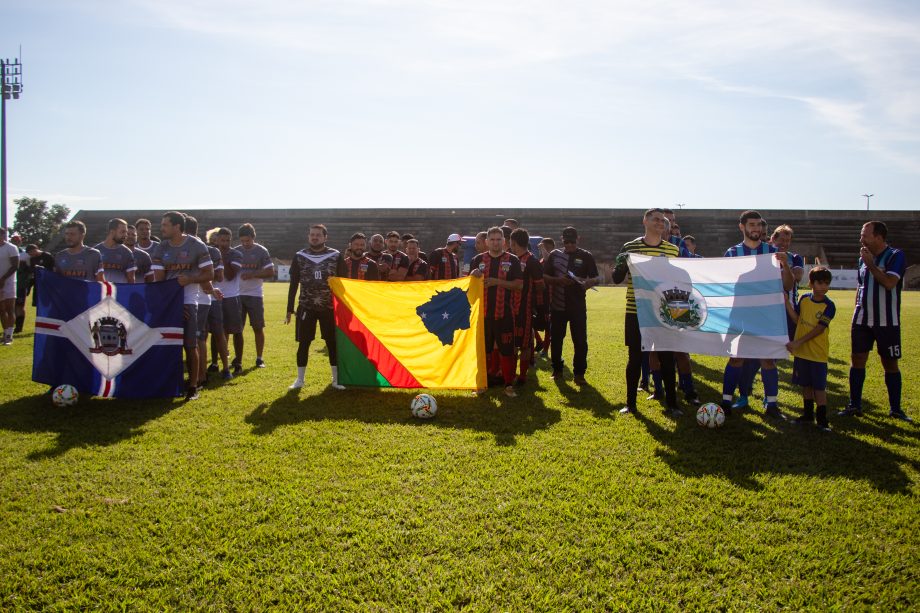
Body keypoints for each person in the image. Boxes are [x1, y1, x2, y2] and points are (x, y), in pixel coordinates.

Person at [720, 210, 793, 419]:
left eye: (759, 225)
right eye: (751, 225)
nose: (756, 228)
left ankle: (772, 405)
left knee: (767, 360)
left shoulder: (772, 253)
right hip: (739, 314)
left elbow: (787, 285)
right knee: (736, 358)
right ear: (742, 227)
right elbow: (723, 284)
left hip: (766, 315)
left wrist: (785, 265)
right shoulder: (732, 253)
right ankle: (726, 401)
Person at [613, 209, 681, 416]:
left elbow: (678, 281)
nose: (661, 223)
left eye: (663, 220)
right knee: (634, 358)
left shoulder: (672, 250)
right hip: (636, 310)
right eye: (656, 219)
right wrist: (621, 263)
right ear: (645, 221)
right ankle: (630, 404)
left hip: (663, 311)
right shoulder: (631, 247)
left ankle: (672, 405)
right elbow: (617, 278)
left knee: (667, 358)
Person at [840, 221, 911, 421]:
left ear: (879, 237)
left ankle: (895, 409)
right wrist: (856, 308)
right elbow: (860, 286)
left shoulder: (896, 256)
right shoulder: (862, 257)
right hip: (862, 319)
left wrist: (871, 264)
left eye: (865, 235)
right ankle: (854, 405)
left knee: (890, 363)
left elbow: (889, 283)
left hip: (887, 320)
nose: (861, 239)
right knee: (857, 359)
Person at [150, 212, 214, 401]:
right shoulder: (161, 248)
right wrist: (168, 303)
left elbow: (209, 274)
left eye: (165, 225)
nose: (161, 228)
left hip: (189, 302)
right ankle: (170, 383)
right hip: (168, 304)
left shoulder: (196, 245)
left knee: (189, 344)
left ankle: (193, 386)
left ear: (177, 226)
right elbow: (159, 281)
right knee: (167, 344)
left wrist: (190, 279)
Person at [286, 224, 342, 390]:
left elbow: (344, 282)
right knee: (304, 343)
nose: (314, 237)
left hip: (329, 307)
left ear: (325, 237)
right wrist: (289, 308)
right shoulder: (300, 256)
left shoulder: (335, 255)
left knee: (332, 343)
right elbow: (294, 283)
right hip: (306, 306)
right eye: (312, 235)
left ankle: (336, 379)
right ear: (308, 236)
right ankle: (300, 380)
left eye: (318, 235)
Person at [542, 226, 600, 385]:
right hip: (557, 306)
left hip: (577, 306)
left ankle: (579, 373)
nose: (569, 245)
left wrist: (588, 282)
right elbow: (544, 276)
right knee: (556, 340)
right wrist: (558, 281)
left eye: (572, 242)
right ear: (562, 240)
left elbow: (596, 278)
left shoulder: (586, 256)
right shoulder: (554, 255)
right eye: (566, 242)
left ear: (578, 240)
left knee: (580, 341)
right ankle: (557, 370)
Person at [471, 227, 523, 397]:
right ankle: (481, 384)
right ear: (486, 242)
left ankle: (508, 385)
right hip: (483, 314)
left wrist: (497, 282)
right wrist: (472, 276)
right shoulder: (477, 260)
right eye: (492, 239)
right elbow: (470, 287)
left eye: (498, 239)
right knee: (483, 350)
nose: (495, 242)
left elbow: (519, 284)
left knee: (507, 350)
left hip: (505, 314)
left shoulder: (512, 260)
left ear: (504, 241)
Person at [784, 266, 835, 431]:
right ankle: (807, 415)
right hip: (802, 354)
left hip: (817, 354)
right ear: (811, 283)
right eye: (820, 283)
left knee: (819, 388)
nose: (823, 287)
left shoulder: (829, 305)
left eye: (826, 283)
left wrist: (798, 342)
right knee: (806, 385)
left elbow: (819, 329)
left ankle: (822, 420)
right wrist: (786, 303)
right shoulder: (804, 299)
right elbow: (797, 319)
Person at [234, 223, 274, 370]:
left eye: (248, 241)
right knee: (238, 329)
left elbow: (270, 272)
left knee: (258, 327)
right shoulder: (236, 251)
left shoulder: (261, 251)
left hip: (255, 294)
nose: (245, 244)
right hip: (237, 294)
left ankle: (259, 358)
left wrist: (253, 274)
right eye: (242, 241)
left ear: (253, 238)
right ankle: (238, 359)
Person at [509, 228, 545, 386]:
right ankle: (509, 373)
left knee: (523, 344)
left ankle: (522, 375)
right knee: (509, 343)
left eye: (511, 243)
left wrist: (540, 309)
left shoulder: (531, 261)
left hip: (524, 310)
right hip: (508, 309)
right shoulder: (509, 259)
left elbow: (540, 286)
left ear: (514, 243)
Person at [210, 227, 243, 377]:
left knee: (236, 330)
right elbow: (212, 276)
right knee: (216, 331)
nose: (225, 243)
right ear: (216, 240)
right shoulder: (210, 253)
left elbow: (228, 276)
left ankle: (238, 362)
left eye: (228, 240)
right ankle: (215, 362)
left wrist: (221, 257)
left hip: (231, 296)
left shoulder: (236, 254)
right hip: (214, 296)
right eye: (222, 240)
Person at [95, 218, 137, 284]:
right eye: (123, 232)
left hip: (120, 293)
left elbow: (131, 280)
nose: (126, 235)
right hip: (100, 292)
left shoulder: (127, 252)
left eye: (126, 232)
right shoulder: (96, 251)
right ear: (112, 231)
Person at [0, 228, 20, 345]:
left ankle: (9, 335)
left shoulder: (11, 248)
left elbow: (15, 266)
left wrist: (3, 278)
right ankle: (5, 333)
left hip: (9, 282)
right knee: (1, 309)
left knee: (9, 308)